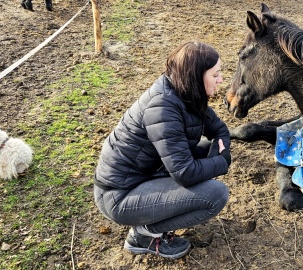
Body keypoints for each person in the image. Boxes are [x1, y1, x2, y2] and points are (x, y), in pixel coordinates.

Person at [93, 41, 231, 259]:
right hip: (119, 196)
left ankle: (151, 221)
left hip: (144, 176)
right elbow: (185, 173)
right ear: (196, 76)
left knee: (205, 150)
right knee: (215, 195)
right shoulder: (163, 107)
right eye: (215, 75)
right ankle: (145, 234)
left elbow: (220, 130)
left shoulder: (186, 92)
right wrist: (221, 161)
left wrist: (217, 154)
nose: (221, 80)